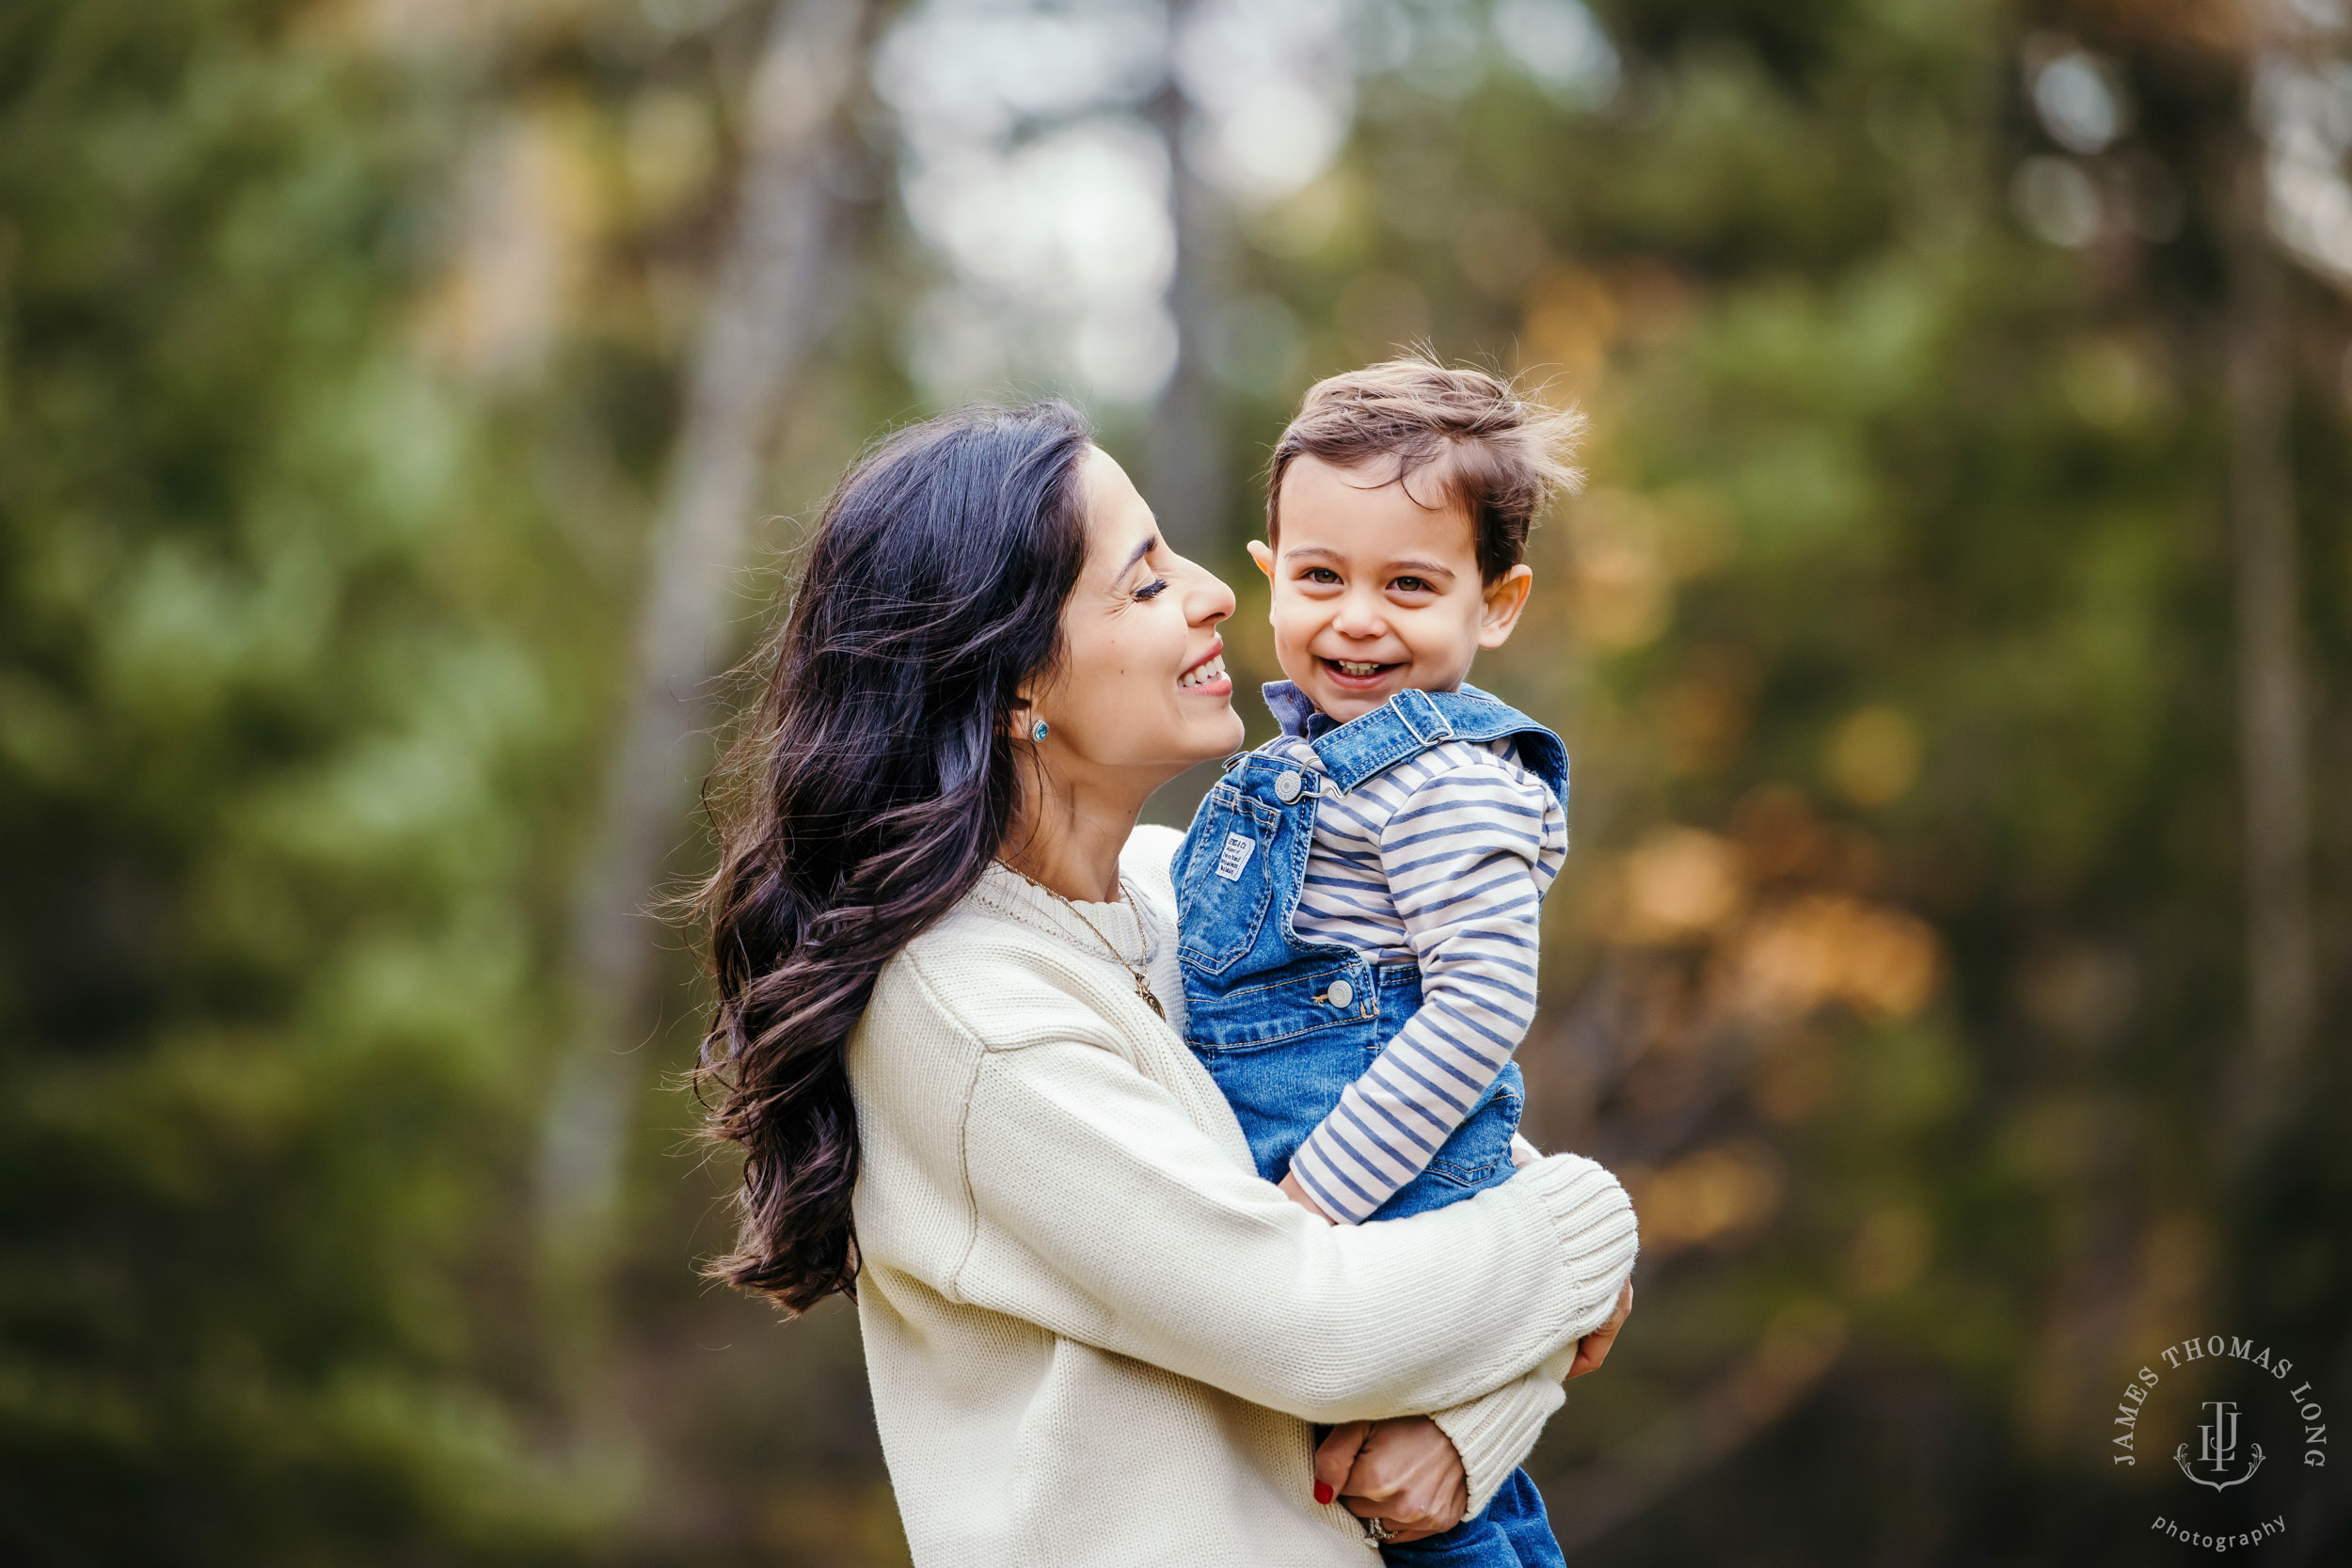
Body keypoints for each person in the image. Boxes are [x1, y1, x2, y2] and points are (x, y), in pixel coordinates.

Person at [691, 400, 1637, 1567]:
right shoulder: (974, 1014)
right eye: (1142, 583)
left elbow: (1456, 1201)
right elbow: (1318, 1319)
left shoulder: (1188, 898)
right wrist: (1588, 1233)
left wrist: (1470, 1423)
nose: (1214, 594)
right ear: (1013, 684)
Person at [1172, 356, 1587, 1566]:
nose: (1356, 618)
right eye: (1319, 577)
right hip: (1338, 1261)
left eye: (1409, 584)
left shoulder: (1449, 779)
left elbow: (1482, 1005)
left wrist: (1308, 1209)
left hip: (1379, 1231)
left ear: (1496, 602)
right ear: (1268, 573)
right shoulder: (1301, 766)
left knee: (1454, 1534)